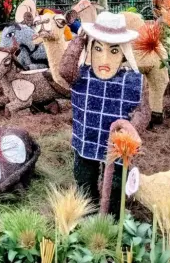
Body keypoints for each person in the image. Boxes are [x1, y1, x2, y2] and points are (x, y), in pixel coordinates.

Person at [60, 11, 150, 216]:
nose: (104, 58)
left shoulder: (134, 81)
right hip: (87, 140)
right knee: (84, 176)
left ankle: (113, 214)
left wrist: (130, 130)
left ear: (124, 54)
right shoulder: (80, 76)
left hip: (118, 146)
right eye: (98, 48)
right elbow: (64, 70)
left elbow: (143, 111)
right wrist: (79, 40)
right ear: (90, 48)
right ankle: (88, 208)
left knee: (117, 183)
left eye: (114, 51)